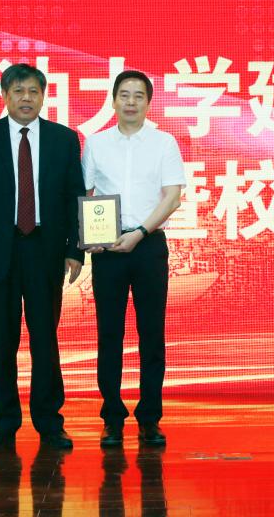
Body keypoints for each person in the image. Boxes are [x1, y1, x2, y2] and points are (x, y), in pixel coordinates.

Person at [0, 63, 85, 452]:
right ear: (5, 96)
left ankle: (50, 423)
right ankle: (3, 424)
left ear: (43, 96)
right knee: (1, 341)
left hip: (46, 249)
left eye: (33, 91)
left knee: (45, 339)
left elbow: (74, 198)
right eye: (18, 91)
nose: (26, 98)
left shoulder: (64, 139)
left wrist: (75, 250)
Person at [82, 70, 185, 448]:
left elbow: (172, 197)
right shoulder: (96, 143)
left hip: (149, 246)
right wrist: (89, 236)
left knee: (152, 335)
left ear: (148, 103)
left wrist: (139, 232)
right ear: (113, 101)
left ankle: (149, 418)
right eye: (124, 95)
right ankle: (112, 417)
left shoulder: (164, 143)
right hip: (108, 250)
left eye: (138, 96)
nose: (130, 102)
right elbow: (85, 193)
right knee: (109, 335)